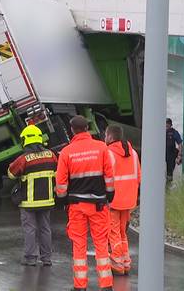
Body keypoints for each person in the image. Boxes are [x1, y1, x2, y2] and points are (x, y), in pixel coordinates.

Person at [56, 115, 115, 291]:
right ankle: (106, 285)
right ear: (88, 127)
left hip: (76, 206)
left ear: (71, 130)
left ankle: (80, 286)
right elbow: (109, 176)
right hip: (99, 204)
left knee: (79, 245)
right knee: (101, 245)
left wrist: (62, 199)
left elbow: (61, 184)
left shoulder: (66, 152)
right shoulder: (102, 148)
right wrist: (109, 196)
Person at [7, 124, 57, 267]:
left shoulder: (24, 159)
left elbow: (11, 174)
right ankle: (46, 259)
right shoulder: (51, 155)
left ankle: (30, 258)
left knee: (30, 229)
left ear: (25, 140)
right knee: (45, 229)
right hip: (47, 201)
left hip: (28, 202)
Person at [105, 125, 141, 276]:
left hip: (114, 201)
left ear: (111, 137)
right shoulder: (133, 153)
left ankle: (117, 263)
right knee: (122, 232)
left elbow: (106, 178)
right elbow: (138, 177)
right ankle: (126, 262)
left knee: (113, 233)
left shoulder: (109, 154)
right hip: (129, 200)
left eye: (105, 135)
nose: (104, 138)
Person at [165, 118, 182, 183]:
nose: (166, 125)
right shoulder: (159, 132)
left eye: (168, 124)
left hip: (171, 156)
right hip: (162, 156)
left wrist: (179, 155)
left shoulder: (174, 132)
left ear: (170, 125)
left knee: (170, 173)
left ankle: (168, 187)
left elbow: (180, 144)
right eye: (166, 123)